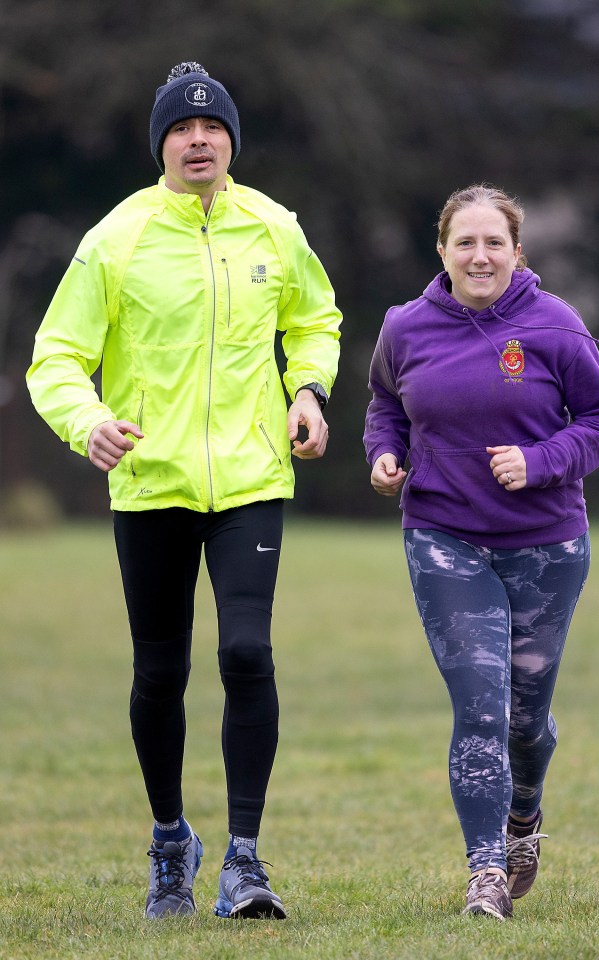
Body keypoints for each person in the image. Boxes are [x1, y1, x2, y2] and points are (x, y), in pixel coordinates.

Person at [27, 61, 341, 920]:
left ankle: (244, 859)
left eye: (212, 128)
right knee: (159, 674)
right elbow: (56, 356)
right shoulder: (116, 239)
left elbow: (315, 318)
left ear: (231, 139)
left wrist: (308, 388)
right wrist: (85, 420)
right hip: (151, 480)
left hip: (249, 477)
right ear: (161, 144)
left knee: (247, 654)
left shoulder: (275, 229)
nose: (198, 141)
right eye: (180, 129)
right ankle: (172, 842)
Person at [363, 184, 599, 920]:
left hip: (546, 546)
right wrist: (385, 455)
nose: (480, 256)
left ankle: (524, 817)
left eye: (494, 243)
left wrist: (541, 461)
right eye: (465, 243)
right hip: (443, 536)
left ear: (517, 252)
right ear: (441, 250)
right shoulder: (405, 327)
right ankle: (484, 875)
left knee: (525, 721)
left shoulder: (557, 326)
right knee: (480, 708)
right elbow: (385, 404)